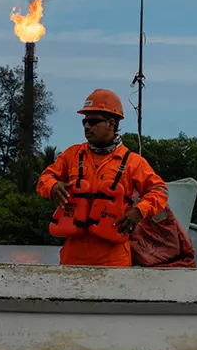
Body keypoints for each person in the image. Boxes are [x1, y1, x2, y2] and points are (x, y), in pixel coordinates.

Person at [36, 88, 170, 267]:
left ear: (112, 123)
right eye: (84, 121)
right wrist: (52, 186)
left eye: (93, 121)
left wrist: (139, 211)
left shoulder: (132, 162)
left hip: (114, 255)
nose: (87, 126)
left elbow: (159, 190)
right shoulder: (72, 155)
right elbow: (46, 177)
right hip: (73, 253)